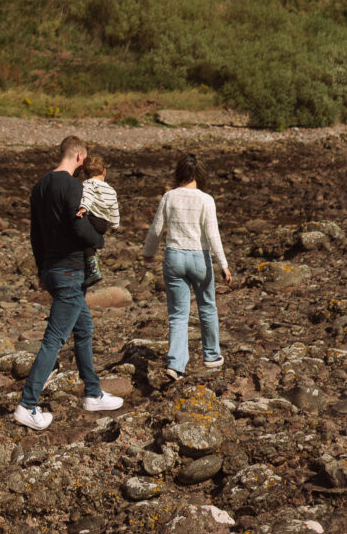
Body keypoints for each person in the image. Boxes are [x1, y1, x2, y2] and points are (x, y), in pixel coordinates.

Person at [14, 135, 124, 431]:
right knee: (54, 339)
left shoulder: (40, 186)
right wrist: (98, 239)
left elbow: (35, 234)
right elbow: (79, 224)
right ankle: (27, 404)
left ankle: (93, 393)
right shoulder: (73, 186)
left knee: (84, 328)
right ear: (79, 157)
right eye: (84, 160)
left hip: (51, 269)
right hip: (68, 271)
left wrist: (41, 270)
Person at [142, 152, 232, 381]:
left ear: (179, 173)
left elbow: (156, 229)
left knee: (178, 315)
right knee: (208, 307)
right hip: (199, 257)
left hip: (174, 257)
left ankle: (176, 363)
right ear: (200, 174)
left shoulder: (169, 197)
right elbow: (213, 236)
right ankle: (211, 355)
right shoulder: (206, 199)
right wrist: (224, 264)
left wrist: (148, 253)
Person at [76, 154, 121, 288]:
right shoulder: (111, 190)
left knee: (85, 242)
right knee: (91, 244)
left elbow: (88, 196)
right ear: (104, 171)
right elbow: (114, 208)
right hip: (103, 223)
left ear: (84, 174)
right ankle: (93, 265)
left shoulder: (88, 184)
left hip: (92, 218)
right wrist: (115, 224)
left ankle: (93, 269)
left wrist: (84, 207)